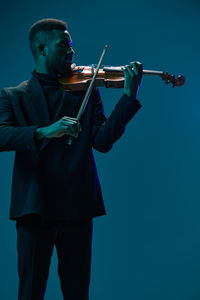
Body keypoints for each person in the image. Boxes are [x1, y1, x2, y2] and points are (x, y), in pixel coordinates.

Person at [0, 18, 143, 300]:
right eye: (64, 45)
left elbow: (101, 142)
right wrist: (44, 131)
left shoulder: (86, 89)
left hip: (77, 205)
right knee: (30, 292)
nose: (72, 52)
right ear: (42, 49)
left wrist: (128, 97)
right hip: (34, 207)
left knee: (77, 293)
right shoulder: (13, 96)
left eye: (72, 45)